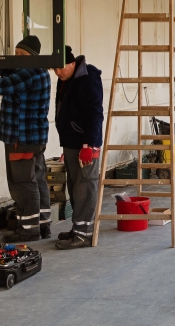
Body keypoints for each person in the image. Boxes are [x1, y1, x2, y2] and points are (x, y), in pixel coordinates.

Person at [0, 36, 52, 242]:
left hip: (20, 138)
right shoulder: (39, 70)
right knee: (37, 180)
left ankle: (29, 230)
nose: (17, 57)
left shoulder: (29, 72)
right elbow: (11, 74)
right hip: (33, 138)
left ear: (32, 57)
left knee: (22, 183)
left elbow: (1, 86)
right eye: (16, 53)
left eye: (22, 54)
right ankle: (42, 225)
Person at [52, 46, 104, 250]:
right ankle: (78, 228)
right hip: (71, 143)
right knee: (75, 186)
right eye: (53, 69)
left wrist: (88, 145)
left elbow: (95, 114)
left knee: (85, 186)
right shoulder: (67, 79)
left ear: (72, 62)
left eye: (60, 67)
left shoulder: (87, 78)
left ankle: (84, 233)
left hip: (85, 145)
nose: (57, 72)